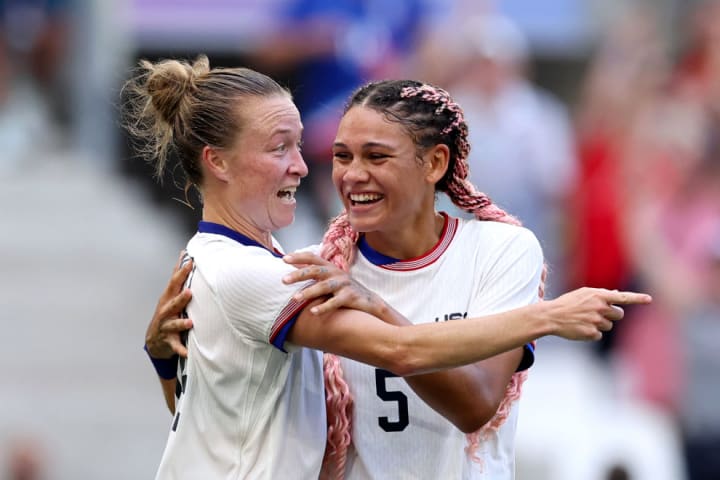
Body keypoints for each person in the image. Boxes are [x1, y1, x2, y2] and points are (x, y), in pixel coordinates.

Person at [128, 56, 651, 479]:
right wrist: (550, 315)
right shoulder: (309, 270)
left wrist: (164, 362)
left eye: (376, 156)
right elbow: (398, 350)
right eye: (342, 155)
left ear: (435, 164)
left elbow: (476, 406)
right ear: (216, 160)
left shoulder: (500, 249)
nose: (348, 174)